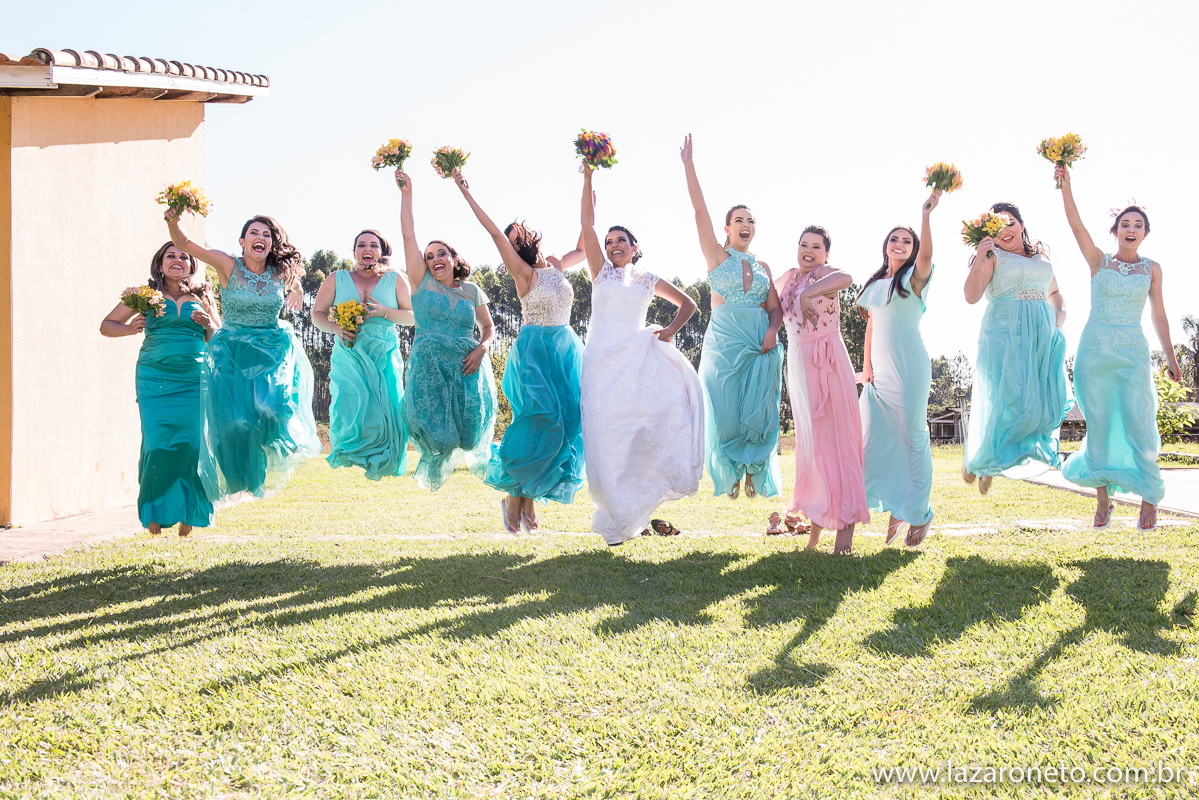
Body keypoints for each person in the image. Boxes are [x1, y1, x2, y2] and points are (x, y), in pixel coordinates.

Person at [453, 169, 586, 533]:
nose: (513, 241)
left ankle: (527, 496)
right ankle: (514, 495)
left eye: (517, 235)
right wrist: (466, 191)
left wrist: (588, 184)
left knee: (568, 422)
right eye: (510, 241)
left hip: (566, 349)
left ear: (531, 235)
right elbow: (494, 231)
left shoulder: (557, 264)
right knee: (539, 420)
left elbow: (585, 245)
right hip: (535, 351)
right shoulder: (522, 272)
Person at [580, 164, 704, 546]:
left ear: (635, 247)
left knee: (635, 428)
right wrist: (587, 178)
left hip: (633, 358)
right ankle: (617, 512)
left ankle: (633, 508)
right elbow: (586, 222)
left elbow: (689, 303)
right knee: (603, 435)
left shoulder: (648, 279)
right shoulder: (599, 273)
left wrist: (667, 332)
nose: (614, 245)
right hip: (599, 361)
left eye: (622, 241)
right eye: (609, 241)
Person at [1054, 165, 1181, 531]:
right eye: (1125, 223)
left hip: (1132, 354)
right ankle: (1104, 501)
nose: (1131, 229)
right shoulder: (1099, 261)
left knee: (1140, 423)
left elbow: (1159, 316)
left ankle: (1148, 498)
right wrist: (1066, 187)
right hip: (1094, 353)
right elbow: (1076, 225)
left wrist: (1171, 359)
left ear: (1144, 233)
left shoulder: (1152, 269)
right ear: (1115, 231)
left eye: (1137, 225)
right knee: (1101, 426)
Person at [166, 210, 321, 497]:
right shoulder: (228, 265)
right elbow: (186, 244)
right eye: (254, 233)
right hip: (232, 350)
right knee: (235, 424)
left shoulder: (279, 272)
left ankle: (269, 442)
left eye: (266, 235)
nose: (260, 238)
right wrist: (173, 222)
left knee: (269, 409)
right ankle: (243, 475)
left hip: (272, 349)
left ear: (272, 244)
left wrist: (297, 289)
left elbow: (296, 278)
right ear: (242, 241)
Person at [679, 134, 783, 499]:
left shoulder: (764, 266)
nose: (746, 224)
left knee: (758, 409)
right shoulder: (715, 258)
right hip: (724, 342)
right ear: (728, 228)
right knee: (724, 412)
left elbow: (775, 308)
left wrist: (772, 330)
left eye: (751, 220)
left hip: (758, 342)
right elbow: (699, 211)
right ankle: (731, 472)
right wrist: (689, 165)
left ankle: (755, 469)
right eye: (739, 219)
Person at [100, 243, 221, 535]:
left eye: (183, 256)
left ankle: (190, 512)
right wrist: (130, 328)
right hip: (154, 376)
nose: (177, 260)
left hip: (194, 377)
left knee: (192, 446)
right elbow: (107, 325)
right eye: (171, 256)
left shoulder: (203, 294)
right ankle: (155, 509)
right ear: (160, 262)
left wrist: (209, 325)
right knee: (156, 444)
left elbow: (218, 337)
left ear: (191, 265)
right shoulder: (145, 295)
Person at [396, 169, 498, 491]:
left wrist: (482, 349)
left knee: (468, 435)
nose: (435, 258)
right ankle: (434, 462)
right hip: (430, 367)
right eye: (429, 256)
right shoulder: (420, 282)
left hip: (466, 367)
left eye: (442, 253)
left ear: (454, 258)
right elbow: (408, 236)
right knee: (438, 433)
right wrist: (406, 194)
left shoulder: (472, 291)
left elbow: (489, 327)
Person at [962, 202, 1071, 493]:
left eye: (1010, 222)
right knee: (1009, 397)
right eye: (998, 227)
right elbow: (972, 296)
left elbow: (1055, 293)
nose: (1006, 230)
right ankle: (984, 459)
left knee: (1042, 405)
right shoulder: (992, 256)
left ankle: (990, 459)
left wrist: (1058, 316)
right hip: (1004, 334)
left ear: (1021, 225)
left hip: (1041, 335)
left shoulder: (1040, 259)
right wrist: (979, 257)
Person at [775, 226, 869, 554]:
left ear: (825, 253)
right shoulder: (787, 277)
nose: (809, 251)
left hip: (827, 364)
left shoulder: (826, 273)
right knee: (813, 447)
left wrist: (807, 293)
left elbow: (847, 277)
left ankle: (844, 537)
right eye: (804, 244)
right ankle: (814, 535)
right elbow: (765, 304)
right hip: (799, 368)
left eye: (816, 246)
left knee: (838, 443)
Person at [857, 192, 940, 546]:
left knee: (914, 439)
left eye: (907, 241)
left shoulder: (913, 280)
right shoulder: (874, 286)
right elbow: (871, 326)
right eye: (894, 239)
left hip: (910, 371)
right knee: (876, 441)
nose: (900, 244)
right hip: (880, 376)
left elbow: (927, 257)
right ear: (885, 246)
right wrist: (865, 370)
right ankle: (894, 507)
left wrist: (925, 215)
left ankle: (919, 514)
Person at [311, 230, 414, 480]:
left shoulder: (396, 278)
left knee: (386, 404)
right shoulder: (336, 278)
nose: (367, 249)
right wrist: (336, 327)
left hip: (383, 351)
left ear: (381, 251)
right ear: (354, 251)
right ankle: (351, 452)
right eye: (361, 245)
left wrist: (384, 311)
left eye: (373, 245)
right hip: (349, 351)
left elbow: (412, 317)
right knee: (350, 404)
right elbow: (317, 314)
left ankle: (384, 457)